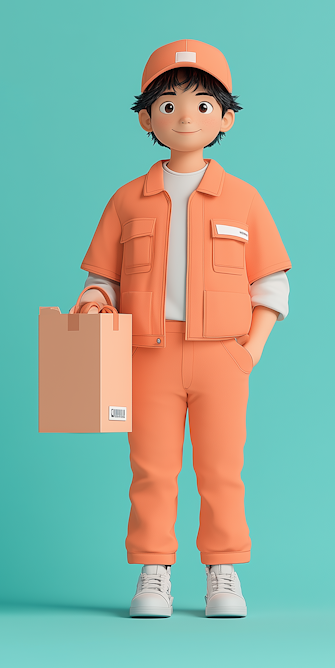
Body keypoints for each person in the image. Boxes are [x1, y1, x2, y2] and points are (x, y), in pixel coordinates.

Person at [78, 40, 292, 617]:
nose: (185, 117)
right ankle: (154, 572)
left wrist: (250, 350)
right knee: (151, 468)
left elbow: (270, 285)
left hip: (222, 355)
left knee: (221, 470)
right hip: (145, 354)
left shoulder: (244, 200)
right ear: (146, 117)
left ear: (225, 117)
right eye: (167, 105)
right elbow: (104, 279)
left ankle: (223, 571)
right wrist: (93, 304)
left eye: (202, 104)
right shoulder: (127, 201)